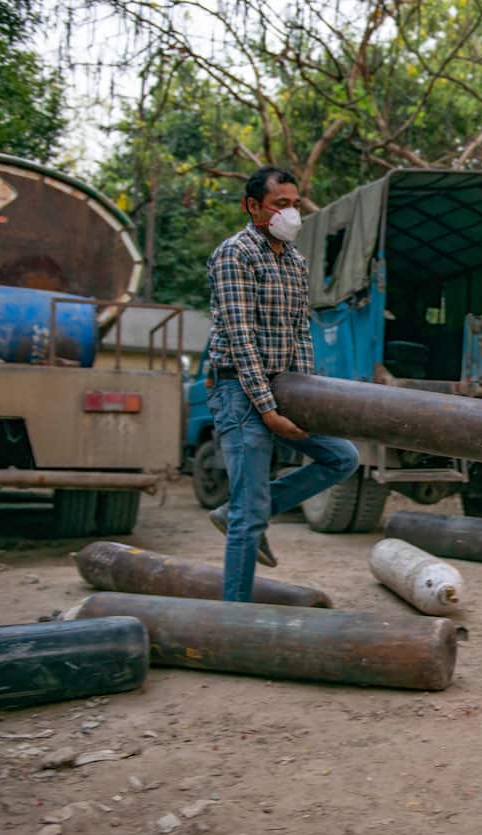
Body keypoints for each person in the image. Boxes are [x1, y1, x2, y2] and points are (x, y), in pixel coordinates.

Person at [205, 166, 359, 602]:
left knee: (342, 457)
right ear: (252, 206)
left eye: (294, 204)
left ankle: (239, 509)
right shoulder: (234, 254)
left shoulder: (295, 260)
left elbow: (300, 333)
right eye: (280, 205)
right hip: (239, 391)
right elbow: (240, 336)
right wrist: (268, 411)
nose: (290, 213)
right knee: (249, 517)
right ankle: (233, 620)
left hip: (283, 386)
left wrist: (302, 398)